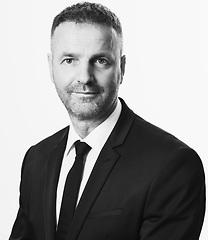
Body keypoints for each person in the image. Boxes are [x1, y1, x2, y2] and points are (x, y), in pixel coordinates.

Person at [9, 2, 205, 240]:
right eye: (70, 60)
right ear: (51, 67)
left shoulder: (172, 165)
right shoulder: (36, 159)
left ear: (121, 68)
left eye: (100, 60)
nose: (84, 77)